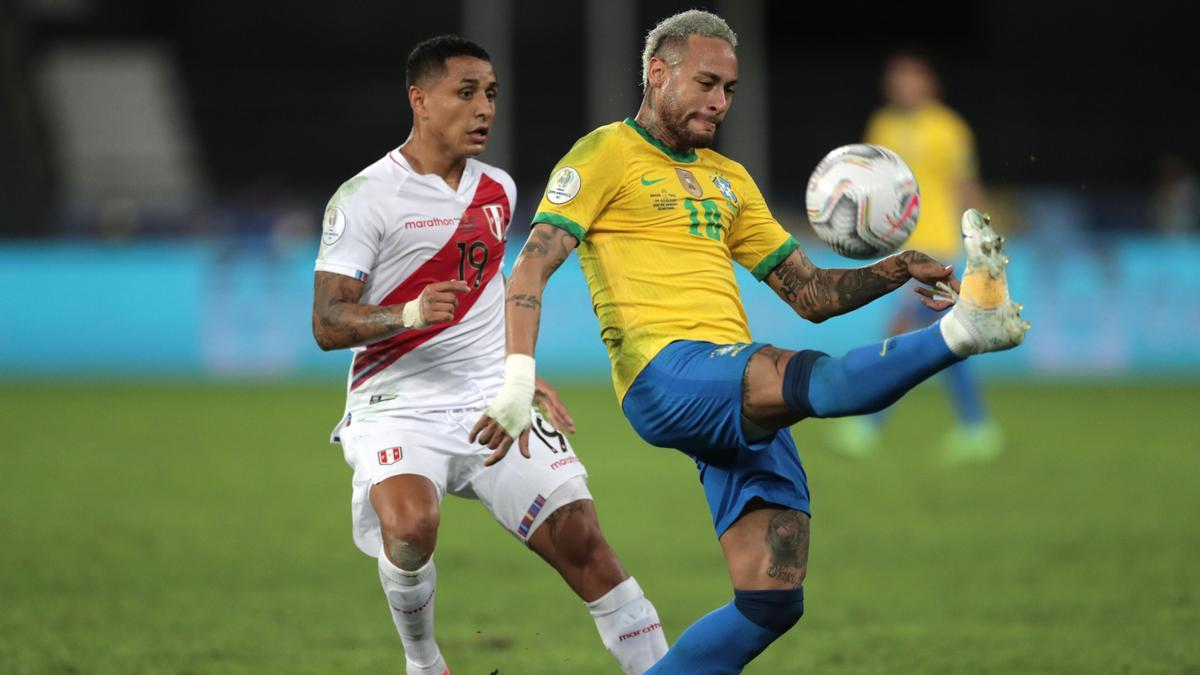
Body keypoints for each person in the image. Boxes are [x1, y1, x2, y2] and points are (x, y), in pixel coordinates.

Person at [471, 11, 1027, 673]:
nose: (719, 100)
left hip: (729, 389)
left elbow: (811, 294)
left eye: (729, 89)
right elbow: (529, 265)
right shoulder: (604, 154)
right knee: (811, 378)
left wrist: (896, 267)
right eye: (707, 82)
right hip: (665, 373)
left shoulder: (729, 179)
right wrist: (515, 378)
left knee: (771, 598)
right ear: (657, 72)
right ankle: (967, 330)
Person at [311, 35, 666, 675]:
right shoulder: (364, 197)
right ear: (420, 100)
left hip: (487, 399)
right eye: (466, 93)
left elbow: (493, 295)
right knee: (411, 529)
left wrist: (519, 373)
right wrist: (409, 313)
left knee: (584, 541)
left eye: (492, 94)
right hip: (397, 401)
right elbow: (328, 321)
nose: (484, 109)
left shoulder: (497, 190)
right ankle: (425, 665)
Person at [832, 51, 1002, 461]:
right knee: (942, 338)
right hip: (898, 247)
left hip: (937, 245)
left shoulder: (947, 128)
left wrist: (984, 236)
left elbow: (965, 185)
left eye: (911, 78)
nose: (903, 86)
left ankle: (870, 424)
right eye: (897, 79)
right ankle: (977, 427)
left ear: (928, 83)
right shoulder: (882, 124)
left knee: (902, 331)